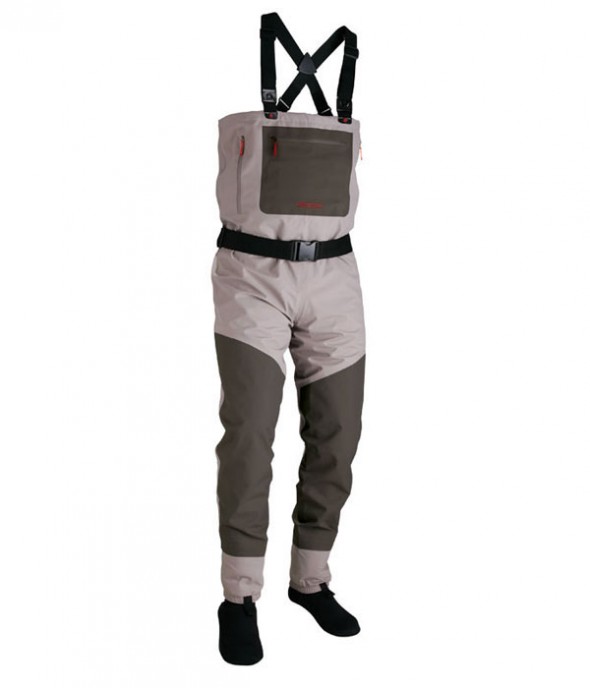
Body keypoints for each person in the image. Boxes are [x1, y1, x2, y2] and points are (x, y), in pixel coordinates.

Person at [210, 12, 366, 665]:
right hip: (253, 273)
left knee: (339, 432)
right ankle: (239, 596)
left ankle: (310, 580)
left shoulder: (351, 55)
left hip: (335, 273)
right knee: (250, 434)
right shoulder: (252, 48)